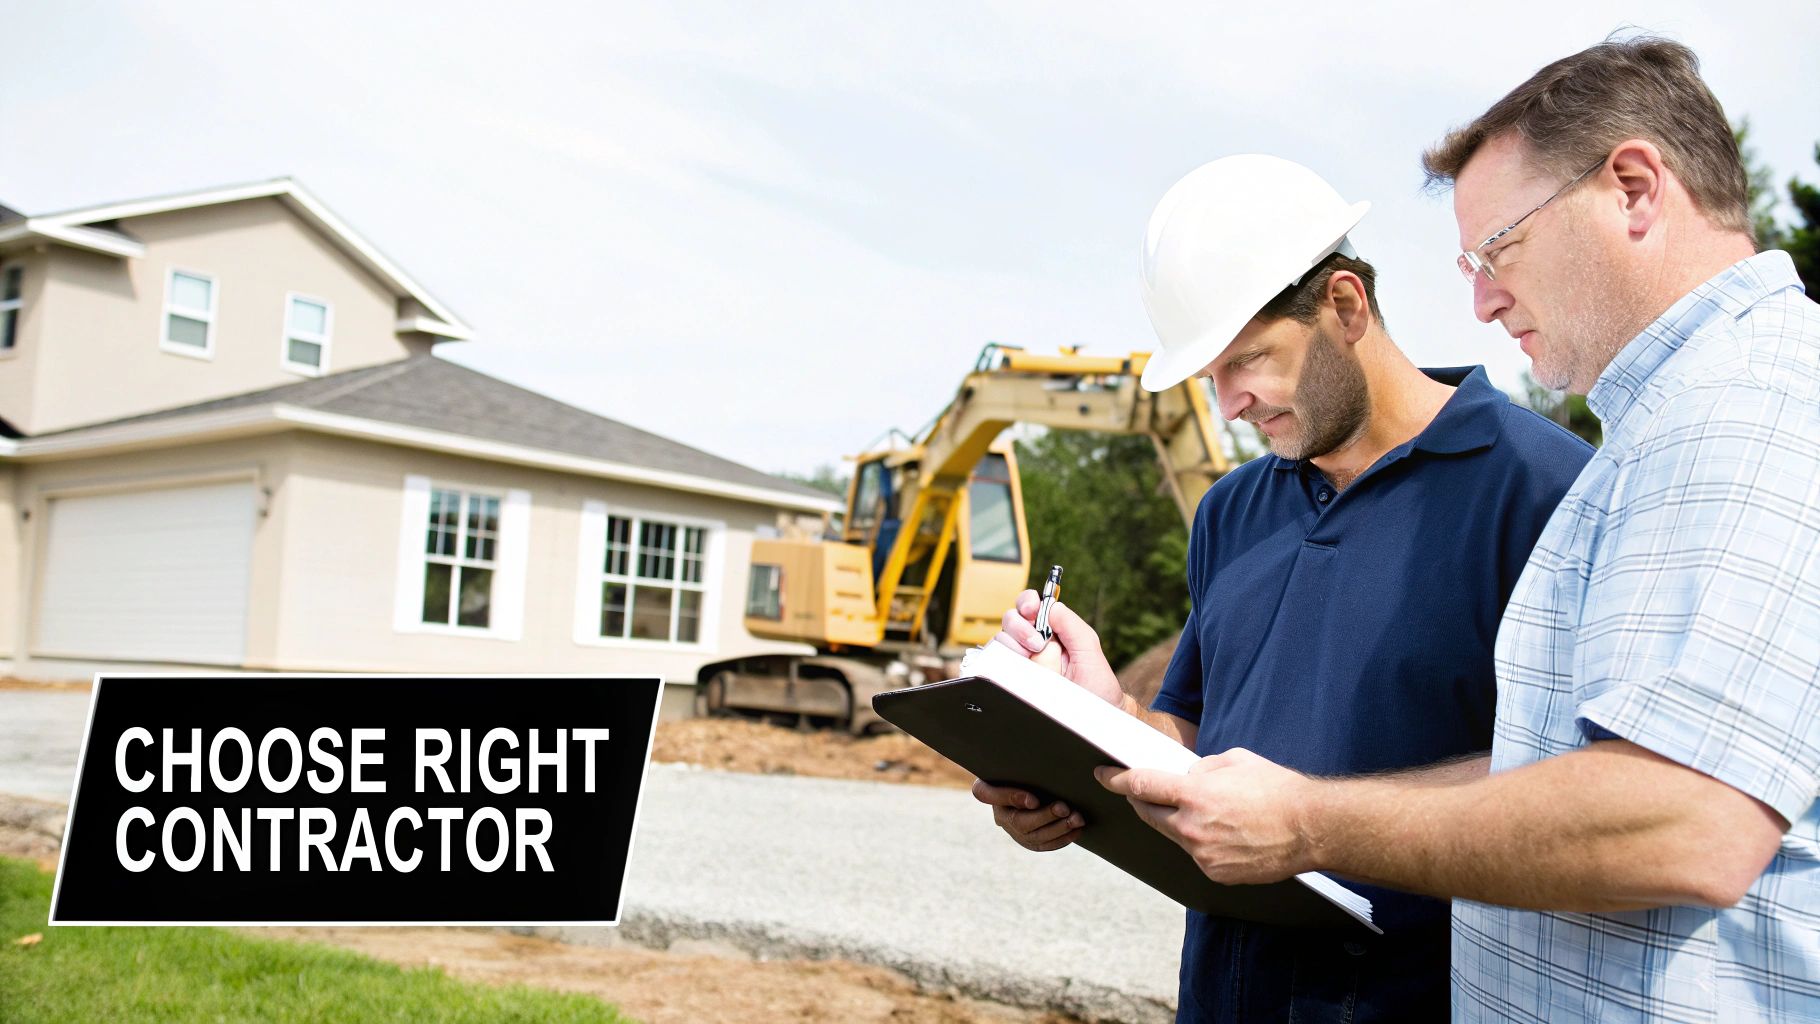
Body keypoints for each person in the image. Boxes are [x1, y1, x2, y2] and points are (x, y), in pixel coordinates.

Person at [1087, 37, 1820, 1023]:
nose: (1478, 298)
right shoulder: (1661, 435)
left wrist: (1306, 821)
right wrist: (1091, 740)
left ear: (1634, 189)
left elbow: (1683, 820)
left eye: (1498, 248)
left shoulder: (1726, 418)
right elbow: (1551, 757)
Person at [973, 154, 1592, 1021]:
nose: (1230, 404)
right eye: (1210, 376)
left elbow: (1586, 793)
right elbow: (1187, 743)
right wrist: (1089, 728)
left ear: (1344, 305)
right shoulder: (1232, 510)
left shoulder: (1545, 490)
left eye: (1249, 360)